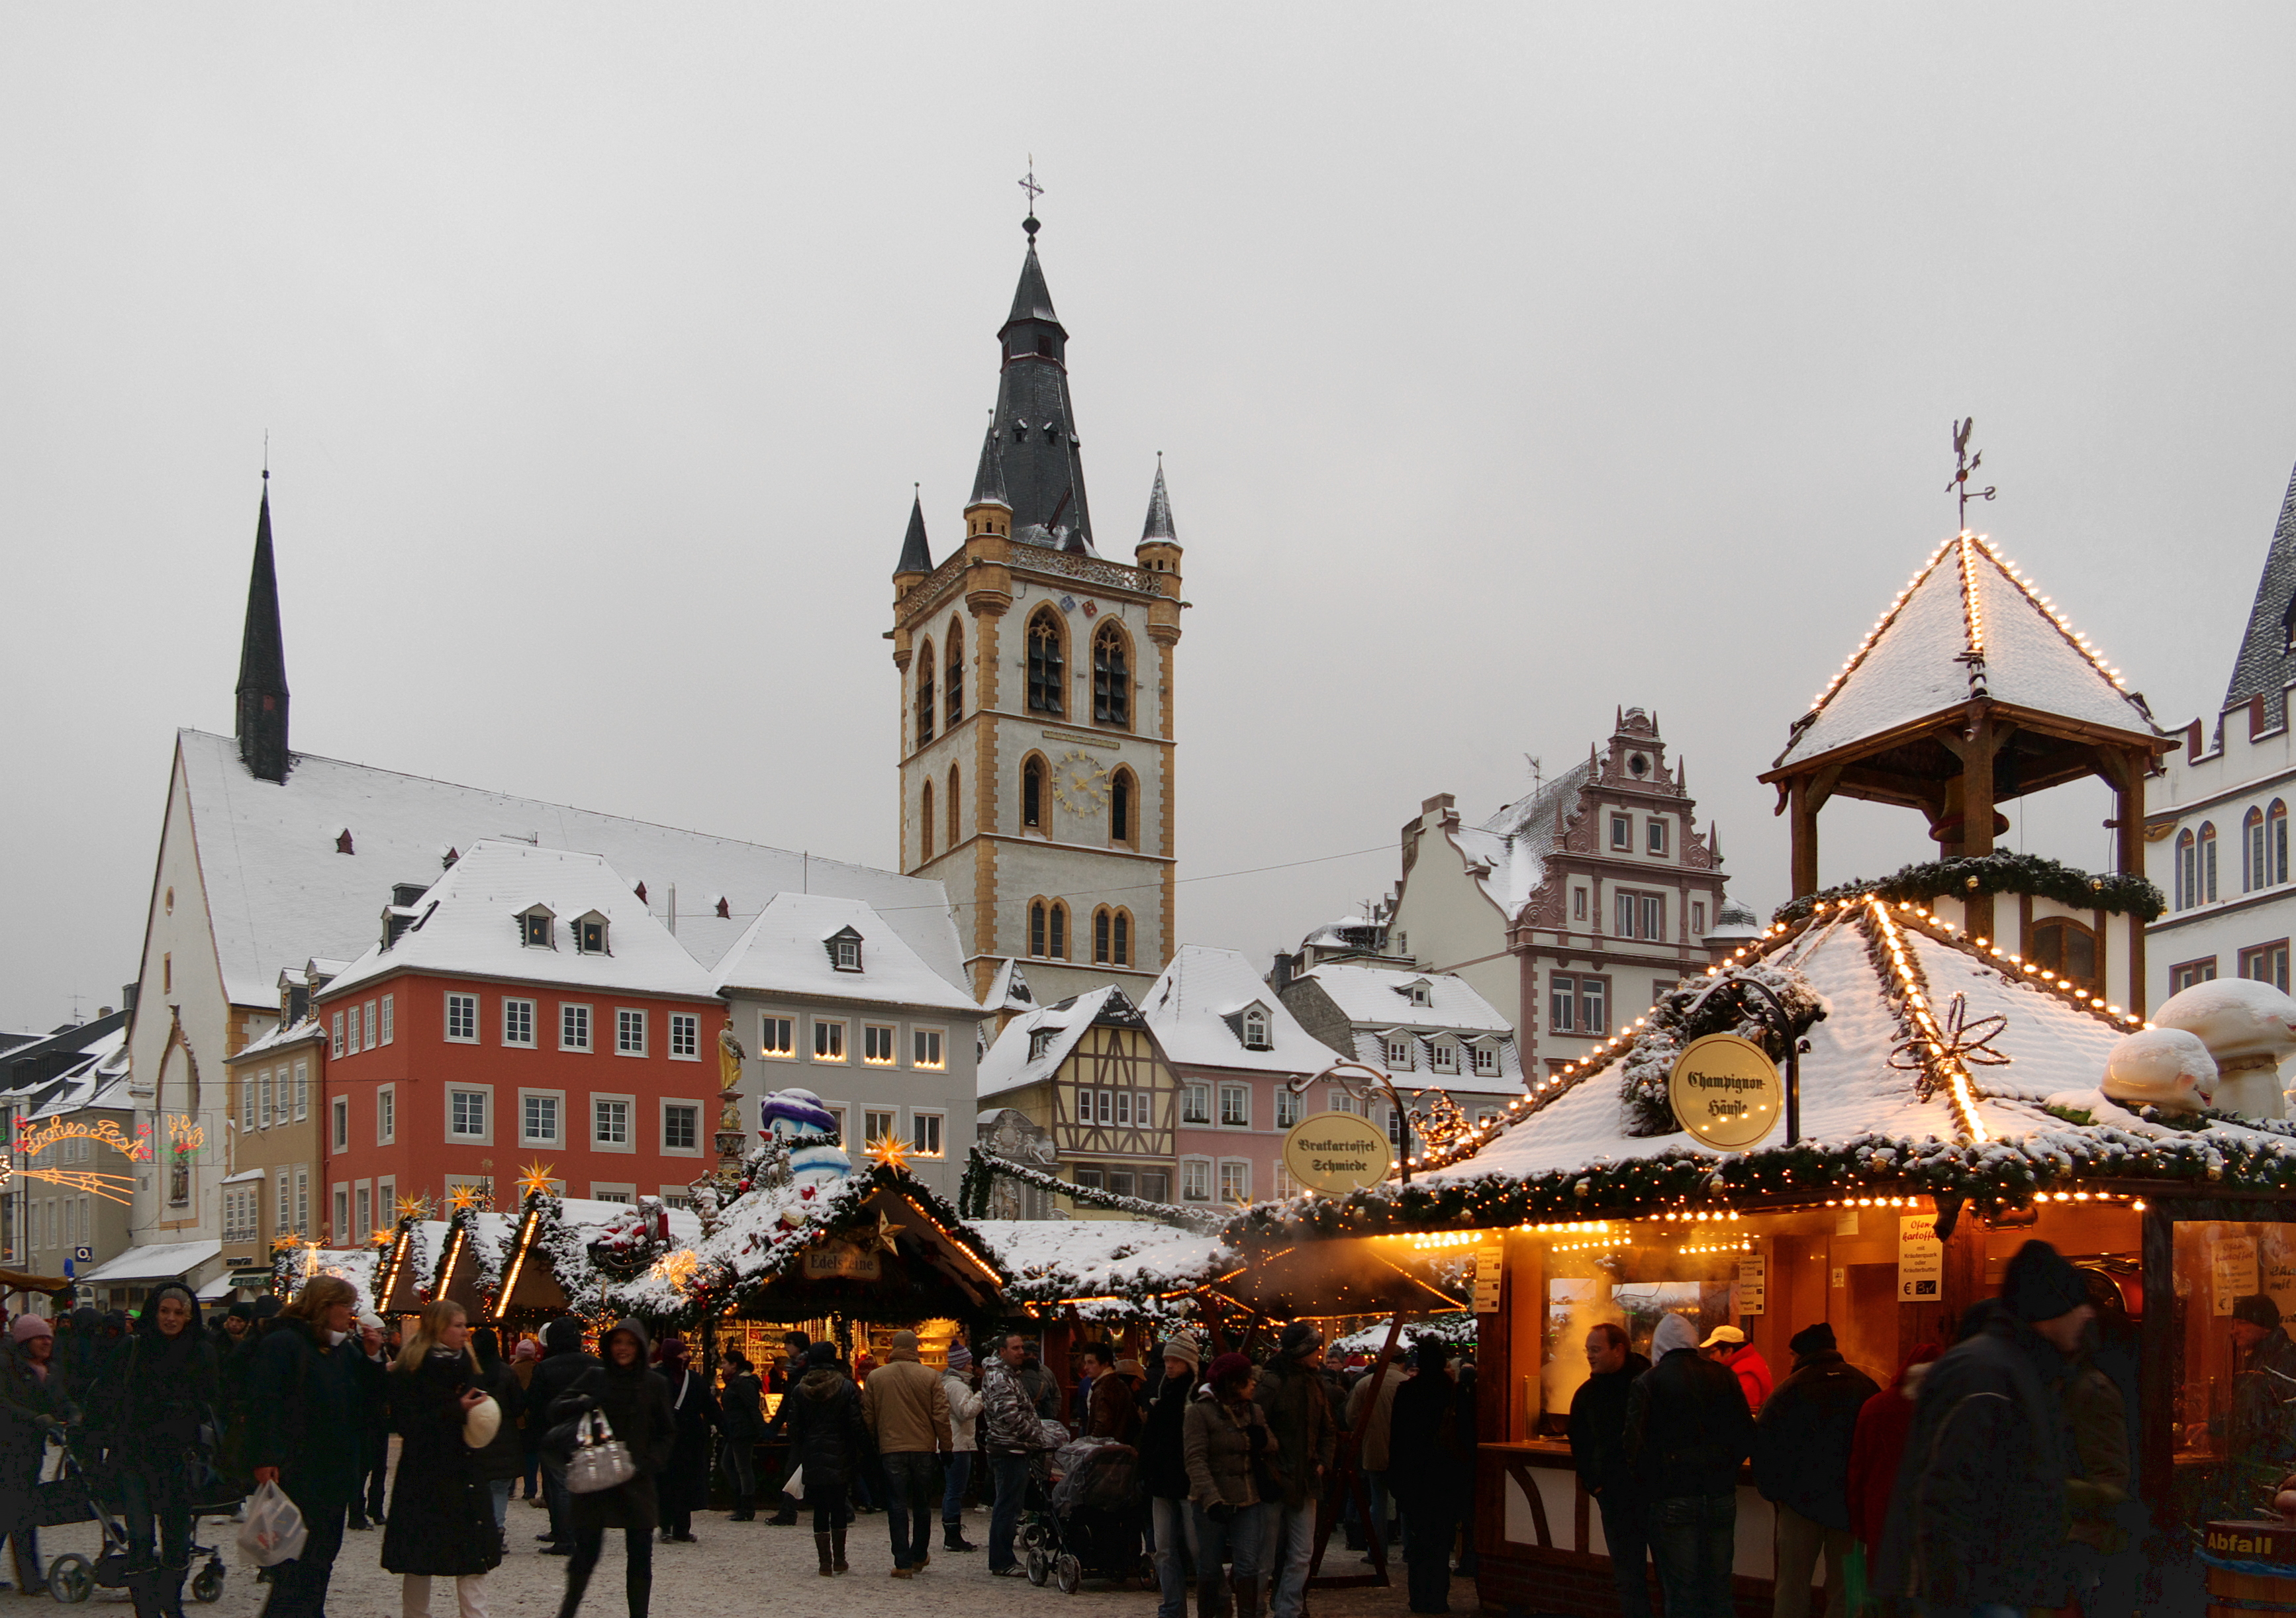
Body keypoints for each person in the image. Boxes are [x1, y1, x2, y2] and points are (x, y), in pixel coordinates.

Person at [1878, 1240, 2093, 1618]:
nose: (2087, 1314)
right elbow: (1944, 1490)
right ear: (2051, 1308)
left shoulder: (2024, 1370)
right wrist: (1950, 1595)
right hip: (1974, 1591)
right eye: (2079, 1304)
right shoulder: (1987, 1373)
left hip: (1998, 1585)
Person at [248, 1276, 378, 1618]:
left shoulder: (343, 1350)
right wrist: (266, 1457)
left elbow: (367, 1400)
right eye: (346, 1306)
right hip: (297, 1470)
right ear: (325, 1307)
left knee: (321, 1559)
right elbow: (264, 1404)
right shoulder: (284, 1344)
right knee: (293, 1562)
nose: (351, 1314)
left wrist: (373, 1358)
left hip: (335, 1471)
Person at [89, 1281, 220, 1618]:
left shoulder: (201, 1352)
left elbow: (217, 1398)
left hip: (179, 1456)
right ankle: (145, 1608)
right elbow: (101, 1395)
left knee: (178, 1538)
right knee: (141, 1536)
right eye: (165, 1311)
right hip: (135, 1455)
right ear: (154, 1312)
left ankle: (171, 1603)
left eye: (179, 1313)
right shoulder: (135, 1347)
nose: (171, 1318)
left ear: (190, 1317)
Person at [1625, 1313, 1755, 1618]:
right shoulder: (1725, 1376)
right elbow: (1746, 1435)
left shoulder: (1649, 1382)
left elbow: (1634, 1448)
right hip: (1721, 1495)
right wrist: (1725, 1467)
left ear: (1660, 1347)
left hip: (1672, 1497)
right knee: (1719, 1589)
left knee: (1683, 1594)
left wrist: (1654, 1485)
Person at [548, 1319, 677, 1618]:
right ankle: (568, 1611)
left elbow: (667, 1431)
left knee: (641, 1554)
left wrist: (649, 1462)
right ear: (609, 1346)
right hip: (595, 1477)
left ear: (642, 1348)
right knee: (586, 1553)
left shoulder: (654, 1384)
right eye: (618, 1342)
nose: (623, 1349)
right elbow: (555, 1408)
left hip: (636, 1479)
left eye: (631, 1343)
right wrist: (585, 1402)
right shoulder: (595, 1376)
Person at [383, 1301, 501, 1618]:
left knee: (474, 1560)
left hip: (466, 1472)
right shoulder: (411, 1369)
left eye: (465, 1325)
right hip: (426, 1475)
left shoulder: (470, 1366)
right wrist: (455, 1410)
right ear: (438, 1328)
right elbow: (407, 1425)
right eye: (458, 1325)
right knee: (419, 1561)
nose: (465, 1332)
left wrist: (483, 1415)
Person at [1752, 1323, 1878, 1618]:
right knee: (1848, 1588)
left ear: (1800, 1354)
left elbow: (1762, 1445)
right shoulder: (1865, 1385)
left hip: (1799, 1506)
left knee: (1791, 1586)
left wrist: (1775, 1495)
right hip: (1850, 1508)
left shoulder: (1788, 1390)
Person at [1568, 1323, 1653, 1618]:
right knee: (1628, 1576)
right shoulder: (1587, 1394)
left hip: (1656, 1493)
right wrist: (1596, 1485)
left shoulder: (1648, 1384)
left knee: (1669, 1574)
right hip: (1616, 1497)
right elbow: (1579, 1443)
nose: (1590, 1356)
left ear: (1619, 1349)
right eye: (1588, 1350)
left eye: (1596, 1349)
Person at [1389, 1339, 1476, 1617]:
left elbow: (1398, 1440)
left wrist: (1398, 1479)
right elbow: (1467, 1438)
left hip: (1415, 1478)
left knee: (1418, 1541)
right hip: (1446, 1477)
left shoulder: (1407, 1392)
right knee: (1441, 1541)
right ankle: (1438, 1597)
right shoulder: (1453, 1392)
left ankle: (1419, 1597)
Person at [1844, 1343, 1938, 1601]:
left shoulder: (1876, 1407)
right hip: (1932, 1520)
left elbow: (1858, 1471)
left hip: (1883, 1516)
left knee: (1886, 1596)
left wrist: (1859, 1523)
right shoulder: (1948, 1410)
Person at [1255, 1322, 1337, 1618]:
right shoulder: (1273, 1382)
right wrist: (1271, 1458)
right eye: (1315, 1350)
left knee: (1302, 1553)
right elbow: (1255, 1425)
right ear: (1303, 1351)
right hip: (1275, 1479)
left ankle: (1289, 1609)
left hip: (1306, 1479)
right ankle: (1256, 1608)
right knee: (1264, 1555)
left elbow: (1328, 1429)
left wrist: (1322, 1463)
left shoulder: (1315, 1383)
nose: (1319, 1355)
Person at [1185, 1353, 1271, 1618]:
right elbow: (1195, 1458)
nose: (1253, 1384)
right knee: (1210, 1567)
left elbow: (1272, 1445)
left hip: (1248, 1498)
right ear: (1232, 1383)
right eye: (1247, 1380)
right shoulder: (1200, 1412)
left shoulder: (1254, 1411)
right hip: (1212, 1502)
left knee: (1248, 1565)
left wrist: (1263, 1442)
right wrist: (1211, 1499)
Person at [860, 1328, 951, 1577]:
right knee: (922, 1504)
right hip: (923, 1448)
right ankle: (920, 1554)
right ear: (915, 1347)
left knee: (896, 1505)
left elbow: (868, 1415)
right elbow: (941, 1415)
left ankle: (902, 1562)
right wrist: (946, 1447)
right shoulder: (930, 1376)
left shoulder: (876, 1377)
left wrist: (872, 1443)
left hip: (891, 1448)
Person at [782, 1340, 869, 1578]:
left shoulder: (801, 1388)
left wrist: (803, 1445)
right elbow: (855, 1423)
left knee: (820, 1508)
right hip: (841, 1451)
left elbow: (795, 1427)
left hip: (812, 1452)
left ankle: (824, 1562)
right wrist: (864, 1449)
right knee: (838, 1504)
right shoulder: (846, 1387)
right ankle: (840, 1558)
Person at [0, 1315, 69, 1594]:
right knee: (16, 1513)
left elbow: (60, 1401)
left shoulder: (47, 1371)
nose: (47, 1342)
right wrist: (34, 1419)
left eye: (50, 1337)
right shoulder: (8, 1367)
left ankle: (30, 1579)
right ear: (26, 1341)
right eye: (41, 1337)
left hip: (29, 1451)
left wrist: (73, 1415)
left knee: (15, 1513)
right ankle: (30, 1579)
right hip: (7, 1449)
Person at [529, 1317, 601, 1555]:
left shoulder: (545, 1368)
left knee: (558, 1486)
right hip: (587, 1431)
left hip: (556, 1432)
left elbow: (536, 1404)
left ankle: (564, 1536)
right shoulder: (595, 1365)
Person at [981, 1332, 1050, 1577]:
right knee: (1008, 1506)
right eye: (1016, 1348)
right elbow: (1009, 1416)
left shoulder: (1009, 1374)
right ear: (1002, 1351)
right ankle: (1001, 1561)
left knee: (1010, 1505)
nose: (1022, 1352)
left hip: (1014, 1447)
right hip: (1009, 1449)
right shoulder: (1000, 1376)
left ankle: (1003, 1559)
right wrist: (1035, 1435)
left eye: (1022, 1347)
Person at [1142, 1334, 1200, 1618]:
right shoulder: (1163, 1393)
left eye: (1175, 1360)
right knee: (1164, 1549)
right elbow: (1151, 1439)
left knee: (1198, 1549)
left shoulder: (1197, 1397)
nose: (1169, 1366)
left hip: (1188, 1481)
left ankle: (1208, 1604)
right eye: (1166, 1360)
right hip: (1163, 1481)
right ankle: (1173, 1607)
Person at [654, 1339, 720, 1544]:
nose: (685, 1357)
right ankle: (665, 1526)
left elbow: (710, 1407)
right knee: (665, 1483)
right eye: (680, 1353)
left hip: (690, 1440)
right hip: (663, 1439)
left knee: (685, 1484)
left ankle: (682, 1528)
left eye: (685, 1353)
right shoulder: (656, 1378)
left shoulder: (695, 1379)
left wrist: (726, 1428)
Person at [1345, 1344, 1406, 1560]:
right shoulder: (1406, 1382)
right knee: (1406, 1503)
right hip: (1404, 1451)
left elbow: (1352, 1417)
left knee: (1378, 1502)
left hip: (1374, 1449)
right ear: (1403, 1361)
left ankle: (1377, 1551)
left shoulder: (1365, 1383)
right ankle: (1409, 1550)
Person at [468, 1329, 527, 1543]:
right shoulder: (507, 1372)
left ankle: (480, 1528)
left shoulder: (470, 1373)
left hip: (477, 1436)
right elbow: (519, 1404)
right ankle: (498, 1528)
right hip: (505, 1437)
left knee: (478, 1486)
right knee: (500, 1489)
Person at [758, 1331, 811, 1526]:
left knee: (793, 1470)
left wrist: (775, 1425)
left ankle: (788, 1513)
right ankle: (844, 1509)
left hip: (805, 1429)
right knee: (811, 1469)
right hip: (804, 1428)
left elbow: (791, 1401)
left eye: (789, 1343)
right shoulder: (796, 1369)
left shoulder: (803, 1370)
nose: (786, 1347)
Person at [350, 1311, 395, 1531]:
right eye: (378, 1332)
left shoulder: (380, 1352)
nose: (382, 1337)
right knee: (362, 1467)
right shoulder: (356, 1353)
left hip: (379, 1416)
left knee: (379, 1466)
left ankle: (375, 1509)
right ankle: (358, 1512)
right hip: (363, 1417)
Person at [938, 1343, 983, 1552]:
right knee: (955, 1490)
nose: (972, 1367)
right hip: (958, 1444)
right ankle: (952, 1534)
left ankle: (952, 1531)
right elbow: (965, 1411)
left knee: (953, 1489)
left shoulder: (951, 1383)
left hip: (956, 1442)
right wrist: (981, 1396)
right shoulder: (956, 1386)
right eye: (969, 1363)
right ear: (961, 1365)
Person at [717, 1350, 766, 1521]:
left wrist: (761, 1428)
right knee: (729, 1464)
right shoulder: (736, 1381)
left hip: (742, 1430)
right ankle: (741, 1502)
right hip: (735, 1429)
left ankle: (746, 1507)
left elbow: (752, 1407)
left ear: (734, 1365)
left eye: (725, 1363)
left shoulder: (743, 1383)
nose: (722, 1367)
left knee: (742, 1468)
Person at [1699, 1325, 1773, 1416]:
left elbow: (1743, 1413)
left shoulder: (1746, 1373)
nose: (1711, 1357)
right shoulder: (1749, 1363)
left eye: (1713, 1352)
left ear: (1728, 1351)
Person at [1080, 1341, 1140, 1445]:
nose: (1086, 1367)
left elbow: (1102, 1426)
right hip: (1122, 1448)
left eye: (1091, 1362)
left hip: (1107, 1451)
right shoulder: (1120, 1384)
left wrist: (1090, 1447)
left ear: (1105, 1364)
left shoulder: (1103, 1389)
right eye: (1086, 1363)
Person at [512, 1338, 544, 1503]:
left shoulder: (511, 1370)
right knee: (532, 1456)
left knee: (514, 1453)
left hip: (516, 1419)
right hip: (532, 1418)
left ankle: (510, 1488)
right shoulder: (538, 1369)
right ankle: (530, 1490)